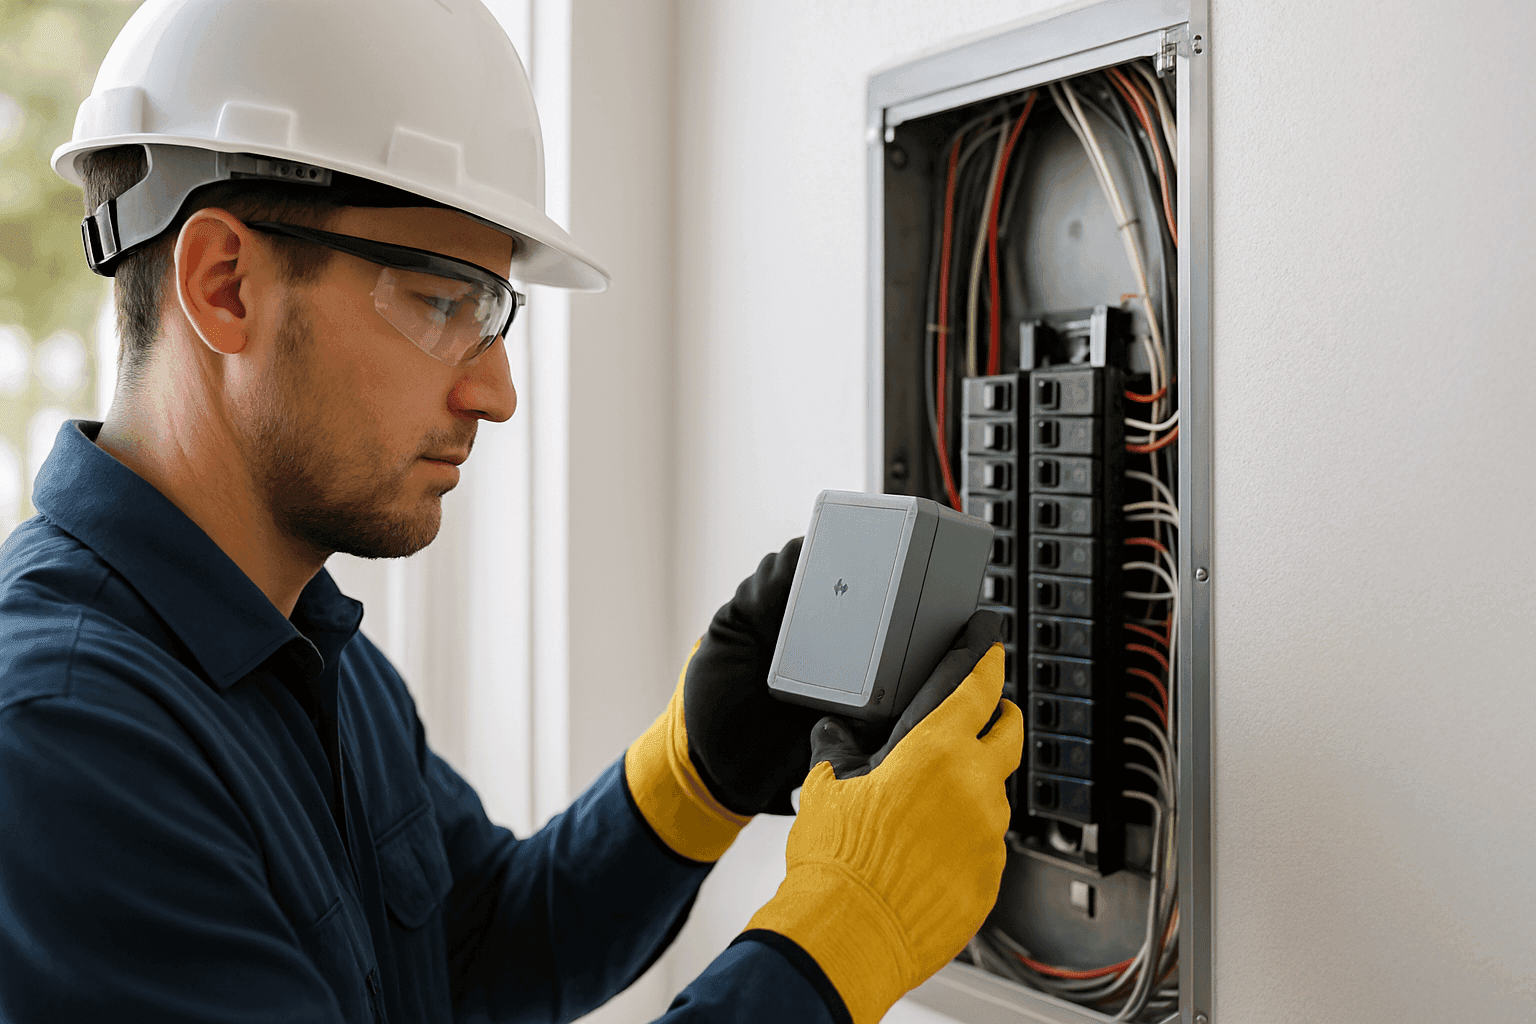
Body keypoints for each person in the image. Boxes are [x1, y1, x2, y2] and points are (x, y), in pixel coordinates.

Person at [0, 2, 1023, 1022]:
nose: (497, 392)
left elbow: (480, 950)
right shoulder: (59, 744)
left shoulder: (307, 647)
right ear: (225, 286)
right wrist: (846, 933)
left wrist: (689, 773)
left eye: (494, 312)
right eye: (444, 303)